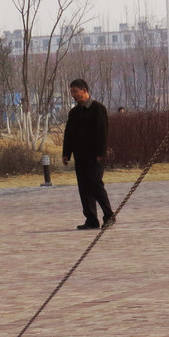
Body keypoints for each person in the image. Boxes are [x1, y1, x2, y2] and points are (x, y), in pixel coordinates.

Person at [62, 79, 115, 230]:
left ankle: (109, 215)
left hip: (95, 156)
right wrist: (66, 153)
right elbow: (69, 134)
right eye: (71, 92)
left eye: (75, 91)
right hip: (80, 156)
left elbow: (102, 132)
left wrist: (100, 153)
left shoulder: (98, 109)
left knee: (95, 184)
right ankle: (91, 219)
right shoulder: (74, 112)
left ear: (84, 91)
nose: (73, 95)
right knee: (84, 187)